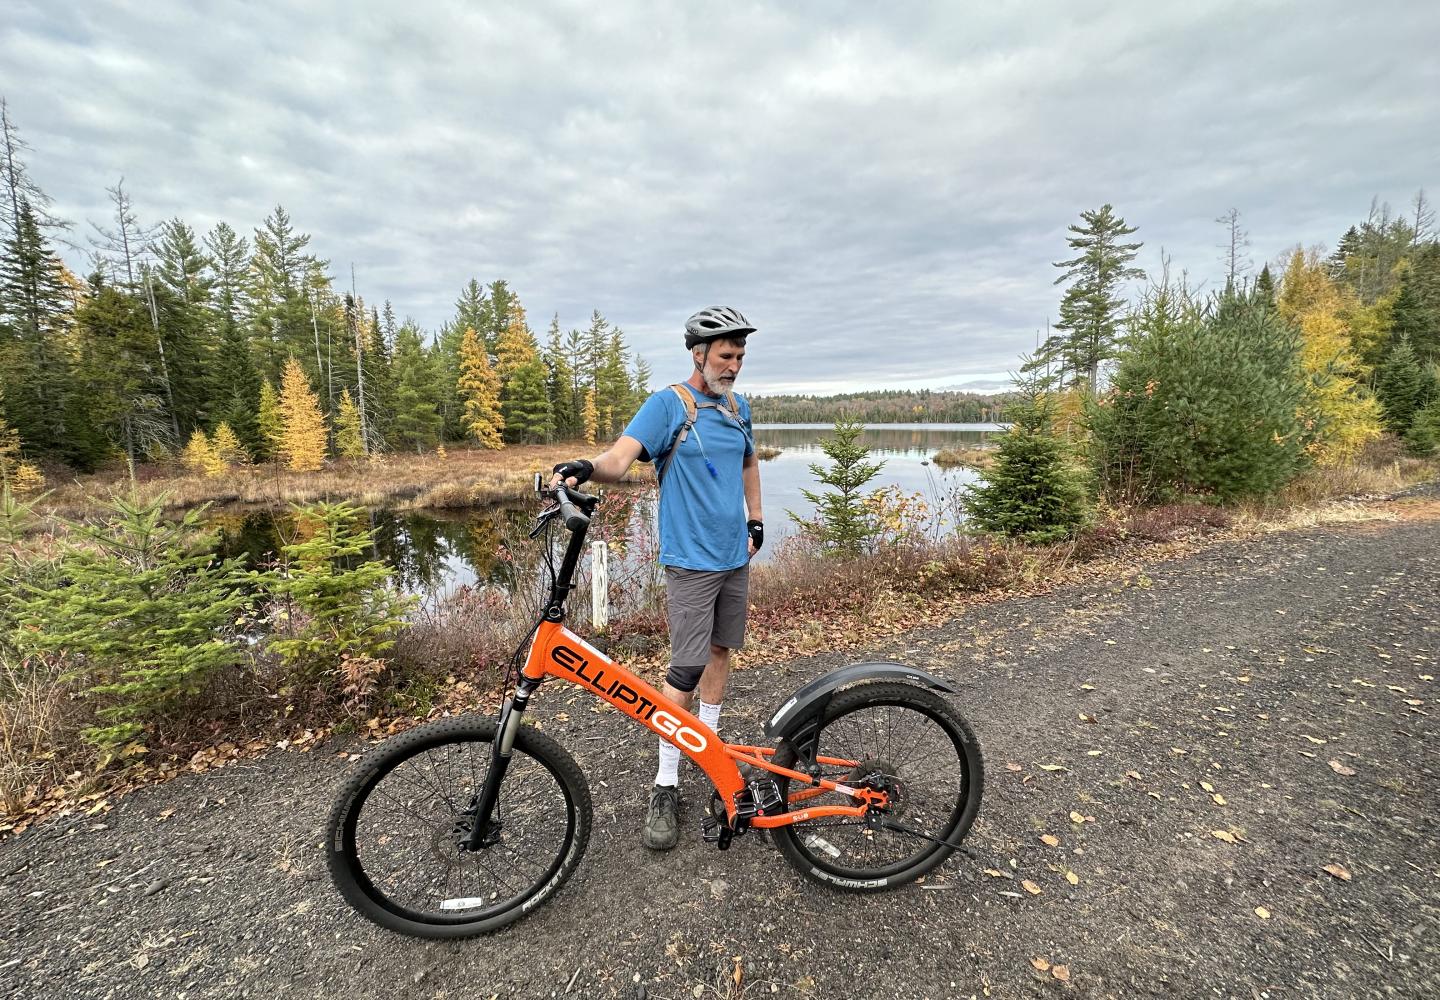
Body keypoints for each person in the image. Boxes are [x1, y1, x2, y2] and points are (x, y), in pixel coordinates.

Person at [551, 305, 764, 850]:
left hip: (732, 556)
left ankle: (711, 755)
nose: (734, 365)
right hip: (690, 561)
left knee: (720, 653)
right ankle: (666, 779)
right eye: (725, 355)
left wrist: (756, 520)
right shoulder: (668, 404)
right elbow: (620, 460)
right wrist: (583, 468)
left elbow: (748, 465)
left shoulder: (737, 407)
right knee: (687, 665)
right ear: (698, 354)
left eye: (740, 355)